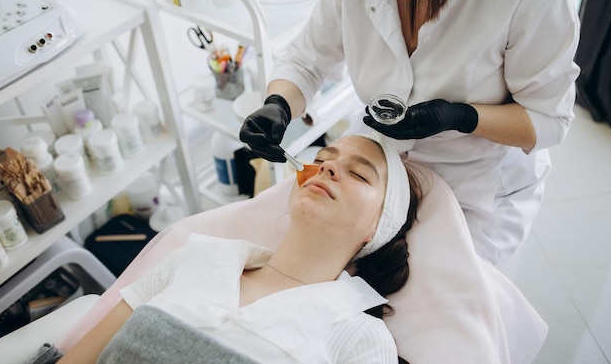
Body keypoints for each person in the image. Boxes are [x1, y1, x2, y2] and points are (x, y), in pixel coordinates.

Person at [239, 0, 580, 265]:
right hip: (378, 159)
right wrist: (279, 103)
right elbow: (307, 59)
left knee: (429, 296)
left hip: (475, 182)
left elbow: (547, 118)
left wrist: (461, 117)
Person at [57, 134, 421, 364]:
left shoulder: (358, 338)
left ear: (379, 226)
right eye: (322, 158)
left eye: (359, 174)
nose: (326, 168)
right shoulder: (190, 259)